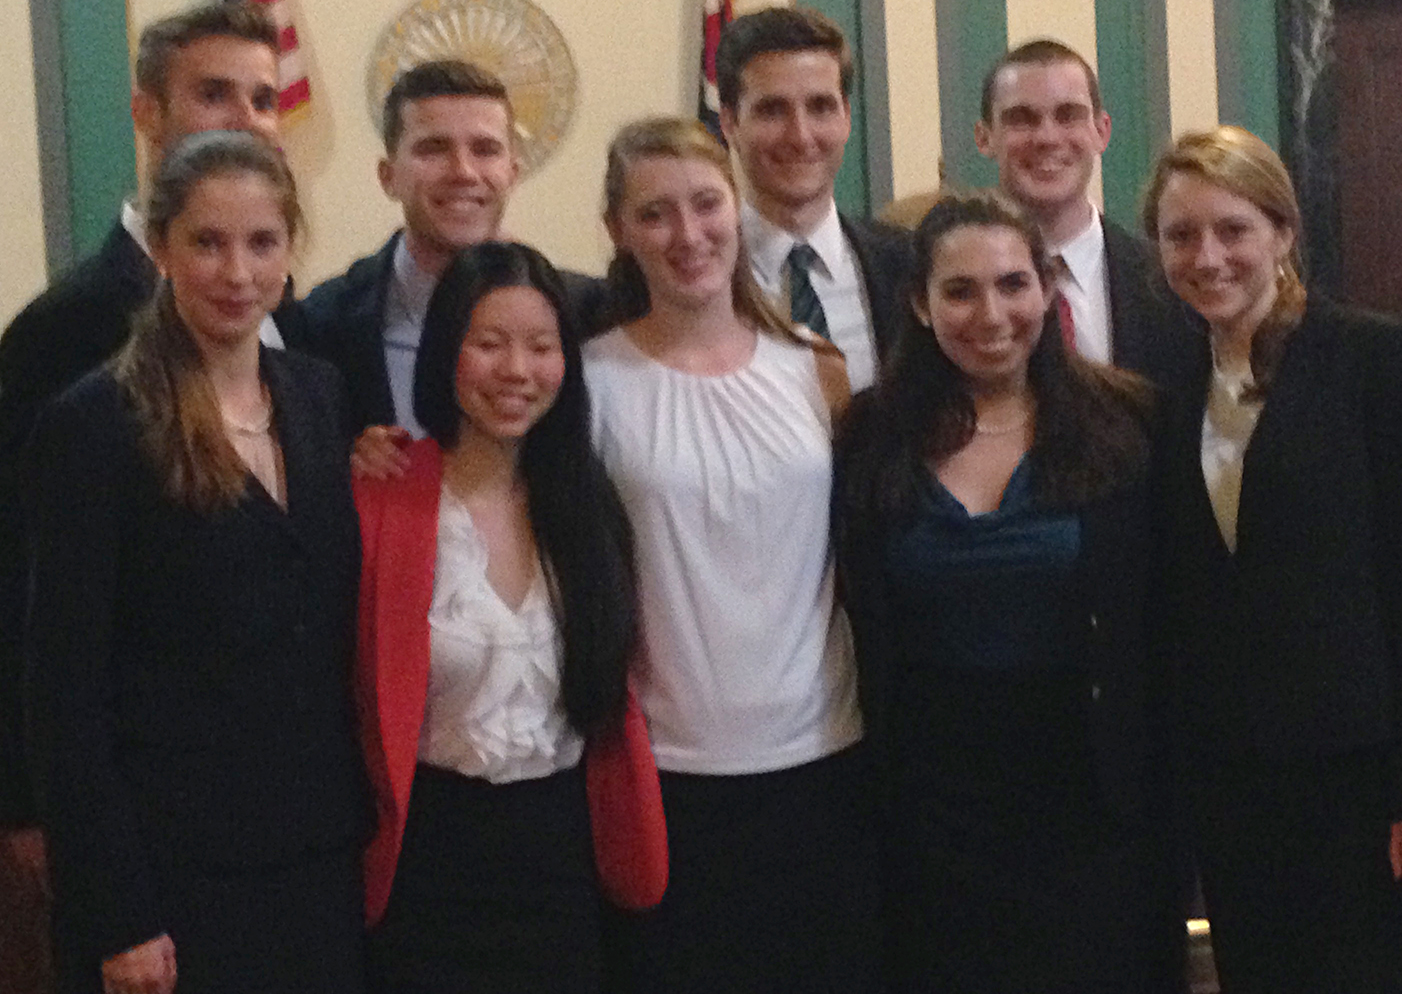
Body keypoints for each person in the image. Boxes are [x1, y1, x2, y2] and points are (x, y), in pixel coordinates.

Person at [27, 131, 368, 994]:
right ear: (161, 250)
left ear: (292, 249)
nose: (238, 272)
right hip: (169, 876)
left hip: (315, 859)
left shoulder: (319, 399)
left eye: (262, 243)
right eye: (207, 243)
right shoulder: (97, 423)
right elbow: (64, 695)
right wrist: (120, 916)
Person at [1142, 125, 1402, 993]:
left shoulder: (1372, 356)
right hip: (1232, 779)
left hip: (1359, 779)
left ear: (1283, 233)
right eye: (1181, 236)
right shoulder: (1166, 380)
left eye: (1232, 230)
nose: (1207, 256)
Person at [835, 191, 1175, 993]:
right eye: (960, 291)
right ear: (918, 304)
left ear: (1046, 290)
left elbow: (1162, 624)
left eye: (1013, 284)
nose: (992, 313)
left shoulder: (1124, 422)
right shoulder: (869, 435)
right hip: (929, 800)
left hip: (1090, 793)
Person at [0, 4, 285, 930]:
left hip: (271, 812)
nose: (244, 118)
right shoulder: (71, 328)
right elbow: (22, 586)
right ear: (146, 114)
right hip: (135, 808)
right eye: (214, 94)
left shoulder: (287, 315)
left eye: (263, 98)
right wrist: (30, 804)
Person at [583, 116, 880, 993]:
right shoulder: (590, 383)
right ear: (618, 231)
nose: (688, 235)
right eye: (655, 214)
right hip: (669, 775)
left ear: (736, 206)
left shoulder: (813, 370)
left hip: (826, 759)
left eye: (706, 204)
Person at [352, 241, 642, 994]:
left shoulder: (586, 508)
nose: (517, 371)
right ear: (447, 352)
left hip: (562, 865)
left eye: (541, 347)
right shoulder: (383, 496)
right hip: (426, 863)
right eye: (489, 344)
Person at [281, 59, 607, 440]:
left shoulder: (584, 312)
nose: (463, 172)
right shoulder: (322, 323)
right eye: (434, 149)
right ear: (389, 177)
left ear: (512, 173)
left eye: (485, 149)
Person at [976, 38, 1197, 389]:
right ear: (984, 137)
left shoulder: (1170, 284)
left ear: (1101, 131)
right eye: (1022, 119)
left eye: (1068, 116)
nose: (1047, 137)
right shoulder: (949, 290)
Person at [717, 5, 912, 389]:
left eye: (821, 107)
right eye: (772, 110)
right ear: (729, 123)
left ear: (847, 118)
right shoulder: (695, 273)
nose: (800, 136)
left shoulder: (908, 264)